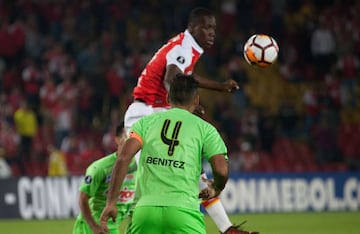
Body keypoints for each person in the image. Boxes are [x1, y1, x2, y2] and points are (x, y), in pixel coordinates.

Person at [123, 7, 249, 234]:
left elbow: (186, 77)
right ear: (192, 28)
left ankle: (227, 228)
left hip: (157, 111)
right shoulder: (183, 47)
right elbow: (172, 78)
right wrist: (184, 107)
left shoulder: (186, 47)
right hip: (148, 111)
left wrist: (219, 87)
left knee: (189, 173)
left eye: (213, 28)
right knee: (152, 173)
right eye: (206, 27)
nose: (211, 32)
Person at [100, 74, 229, 234]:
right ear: (196, 100)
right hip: (184, 214)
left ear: (167, 97)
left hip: (145, 213)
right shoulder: (206, 129)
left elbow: (123, 158)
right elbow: (221, 170)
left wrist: (111, 202)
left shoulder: (145, 123)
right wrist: (216, 188)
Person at [73, 123, 137, 234]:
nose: (130, 140)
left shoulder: (139, 166)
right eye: (126, 136)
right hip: (92, 228)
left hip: (112, 227)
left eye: (133, 136)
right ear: (117, 139)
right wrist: (94, 227)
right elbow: (83, 198)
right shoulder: (100, 168)